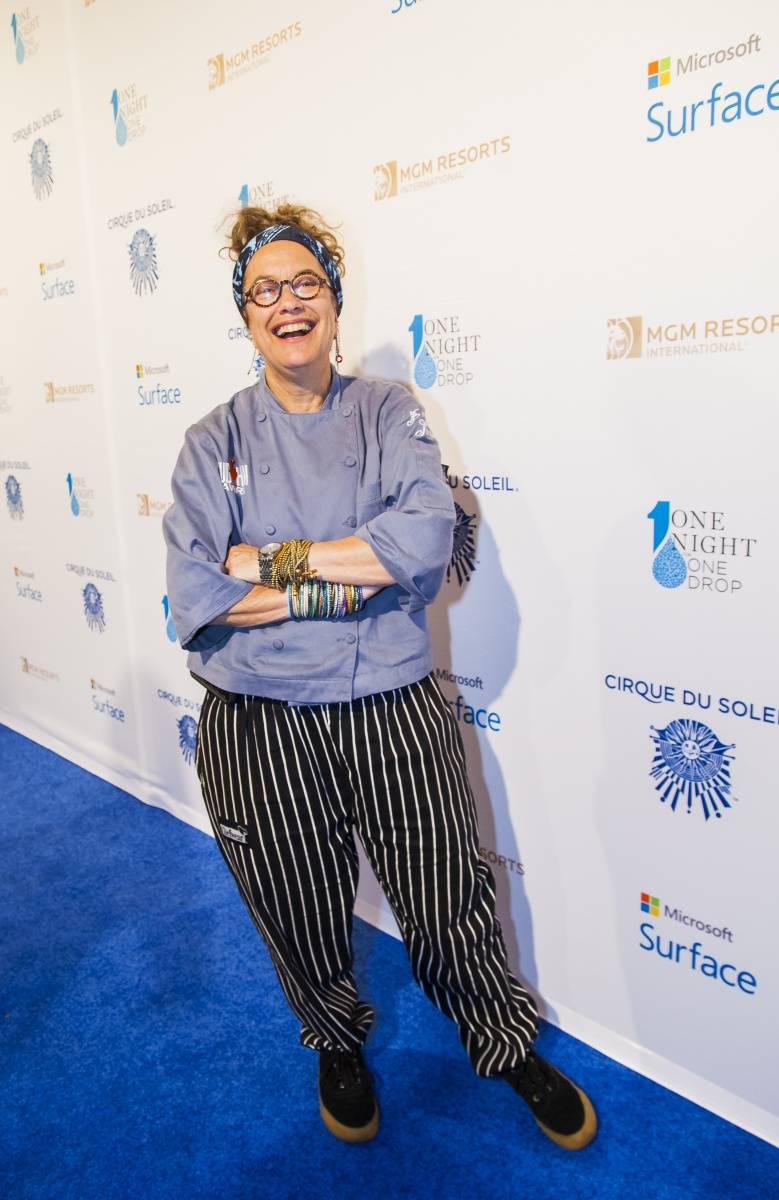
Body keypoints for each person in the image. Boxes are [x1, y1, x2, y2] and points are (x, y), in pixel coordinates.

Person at [162, 204, 597, 1150]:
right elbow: (194, 594)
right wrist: (351, 574)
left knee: (446, 899)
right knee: (294, 903)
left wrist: (267, 563)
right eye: (264, 291)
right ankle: (335, 1040)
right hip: (257, 718)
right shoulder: (210, 439)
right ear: (244, 314)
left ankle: (503, 1042)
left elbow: (424, 541)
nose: (287, 303)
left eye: (304, 283)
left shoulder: (390, 411)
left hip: (390, 704)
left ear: (334, 299)